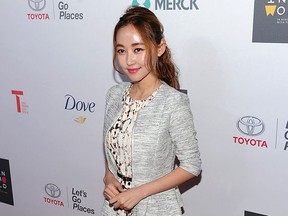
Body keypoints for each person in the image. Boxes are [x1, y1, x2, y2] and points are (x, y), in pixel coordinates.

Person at [102, 6, 201, 216]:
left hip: (156, 209)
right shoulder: (113, 96)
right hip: (114, 210)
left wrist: (139, 192)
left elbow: (192, 166)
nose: (129, 60)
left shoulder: (173, 102)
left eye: (138, 49)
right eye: (121, 50)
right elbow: (112, 157)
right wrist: (110, 179)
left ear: (159, 47)